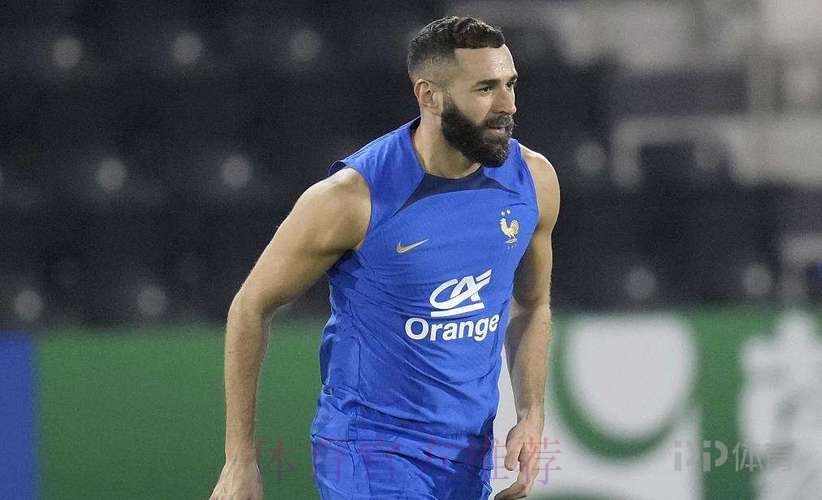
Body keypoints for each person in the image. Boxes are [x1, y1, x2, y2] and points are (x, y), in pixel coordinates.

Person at [210, 16, 559, 500]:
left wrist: (531, 413)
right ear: (429, 95)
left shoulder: (533, 182)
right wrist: (239, 458)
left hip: (467, 453)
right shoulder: (352, 198)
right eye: (485, 89)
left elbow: (532, 305)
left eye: (510, 84)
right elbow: (251, 306)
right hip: (368, 450)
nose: (508, 106)